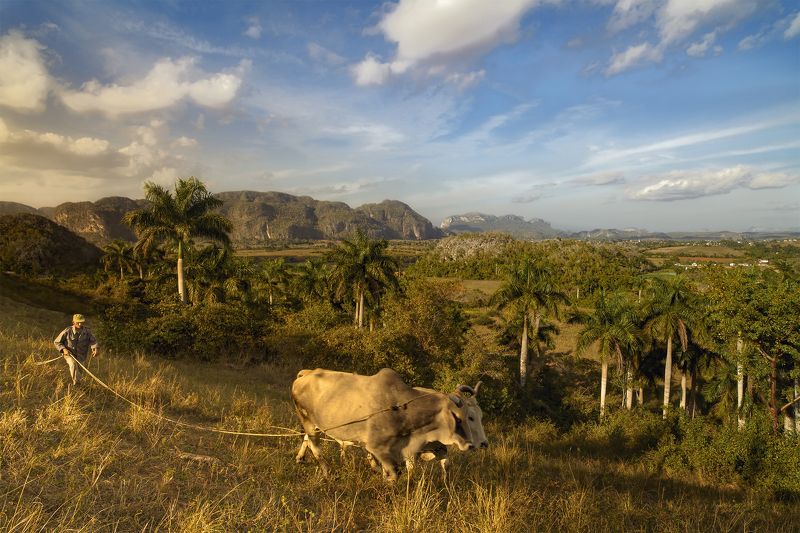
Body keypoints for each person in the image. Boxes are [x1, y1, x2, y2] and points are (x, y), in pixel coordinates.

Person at [54, 313, 98, 385]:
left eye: (82, 322)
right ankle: (77, 385)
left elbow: (93, 341)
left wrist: (95, 348)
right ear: (73, 322)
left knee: (79, 371)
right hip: (69, 354)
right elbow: (57, 342)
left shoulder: (87, 331)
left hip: (81, 355)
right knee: (73, 364)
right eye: (78, 322)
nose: (80, 324)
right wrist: (64, 349)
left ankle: (78, 385)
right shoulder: (67, 331)